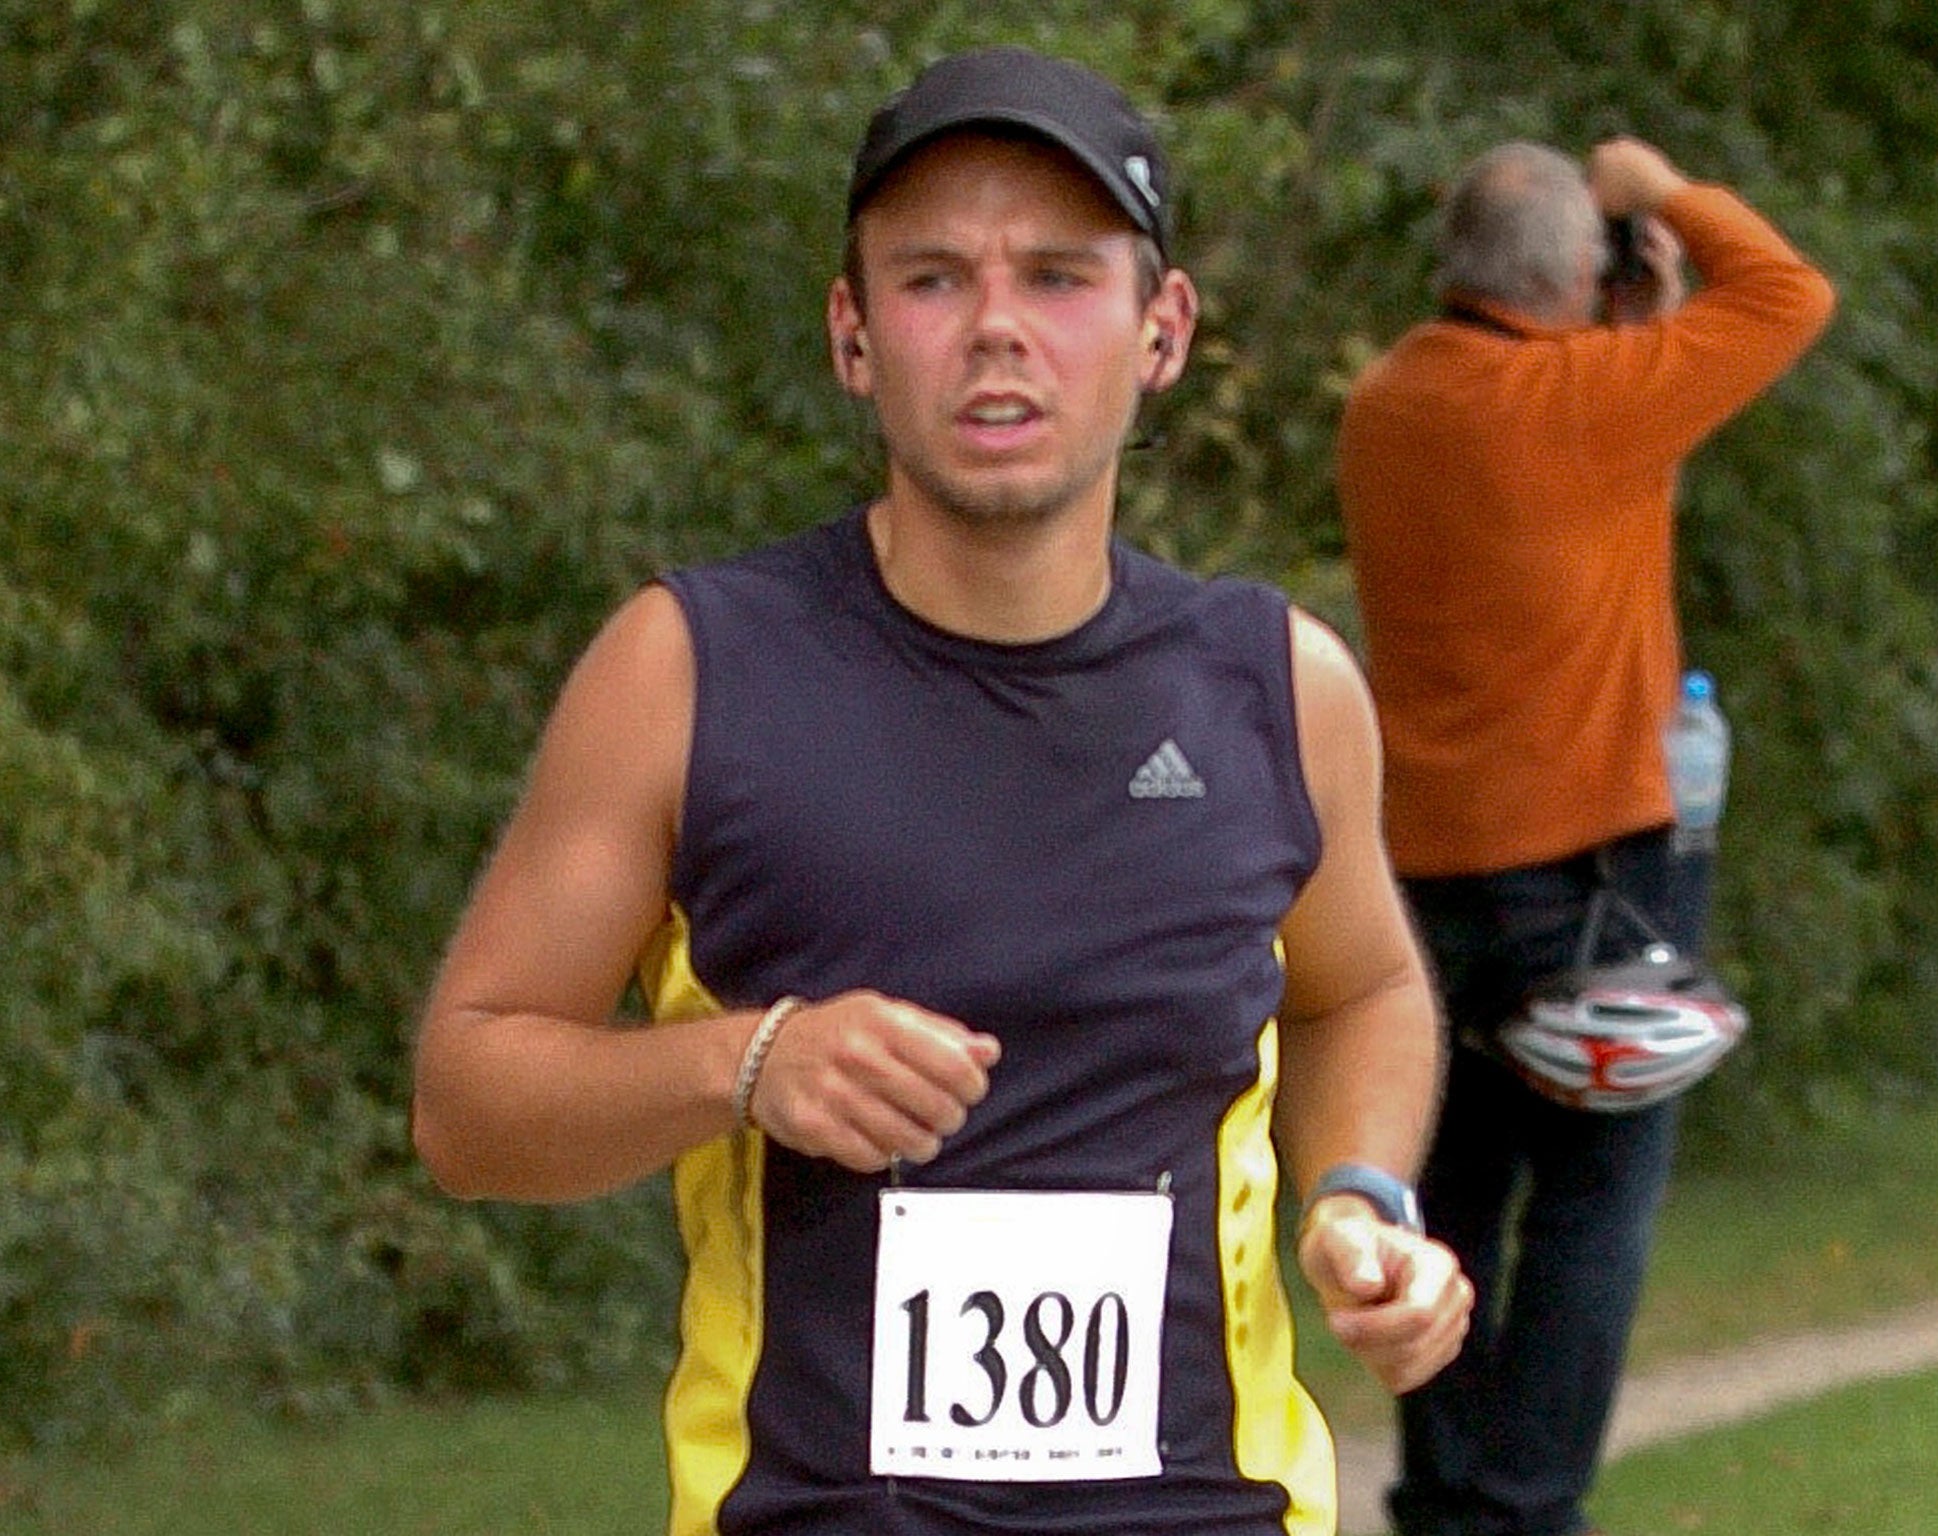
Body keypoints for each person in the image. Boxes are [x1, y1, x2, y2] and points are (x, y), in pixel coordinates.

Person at [412, 46, 1473, 1536]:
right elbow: (469, 1103)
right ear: (853, 335)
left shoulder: (1279, 686)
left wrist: (1358, 1198)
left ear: (1162, 329)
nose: (995, 331)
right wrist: (748, 1065)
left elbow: (1360, 989)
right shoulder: (691, 671)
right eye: (931, 280)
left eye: (1057, 277)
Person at [1334, 139, 1834, 1536]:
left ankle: (1449, 1497)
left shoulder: (1389, 404)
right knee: (1594, 1203)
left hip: (1428, 873)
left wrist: (1624, 327)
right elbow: (1788, 293)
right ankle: (1522, 1511)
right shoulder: (1585, 403)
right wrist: (1656, 185)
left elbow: (1575, 494)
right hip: (1597, 871)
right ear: (1570, 272)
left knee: (1453, 1200)